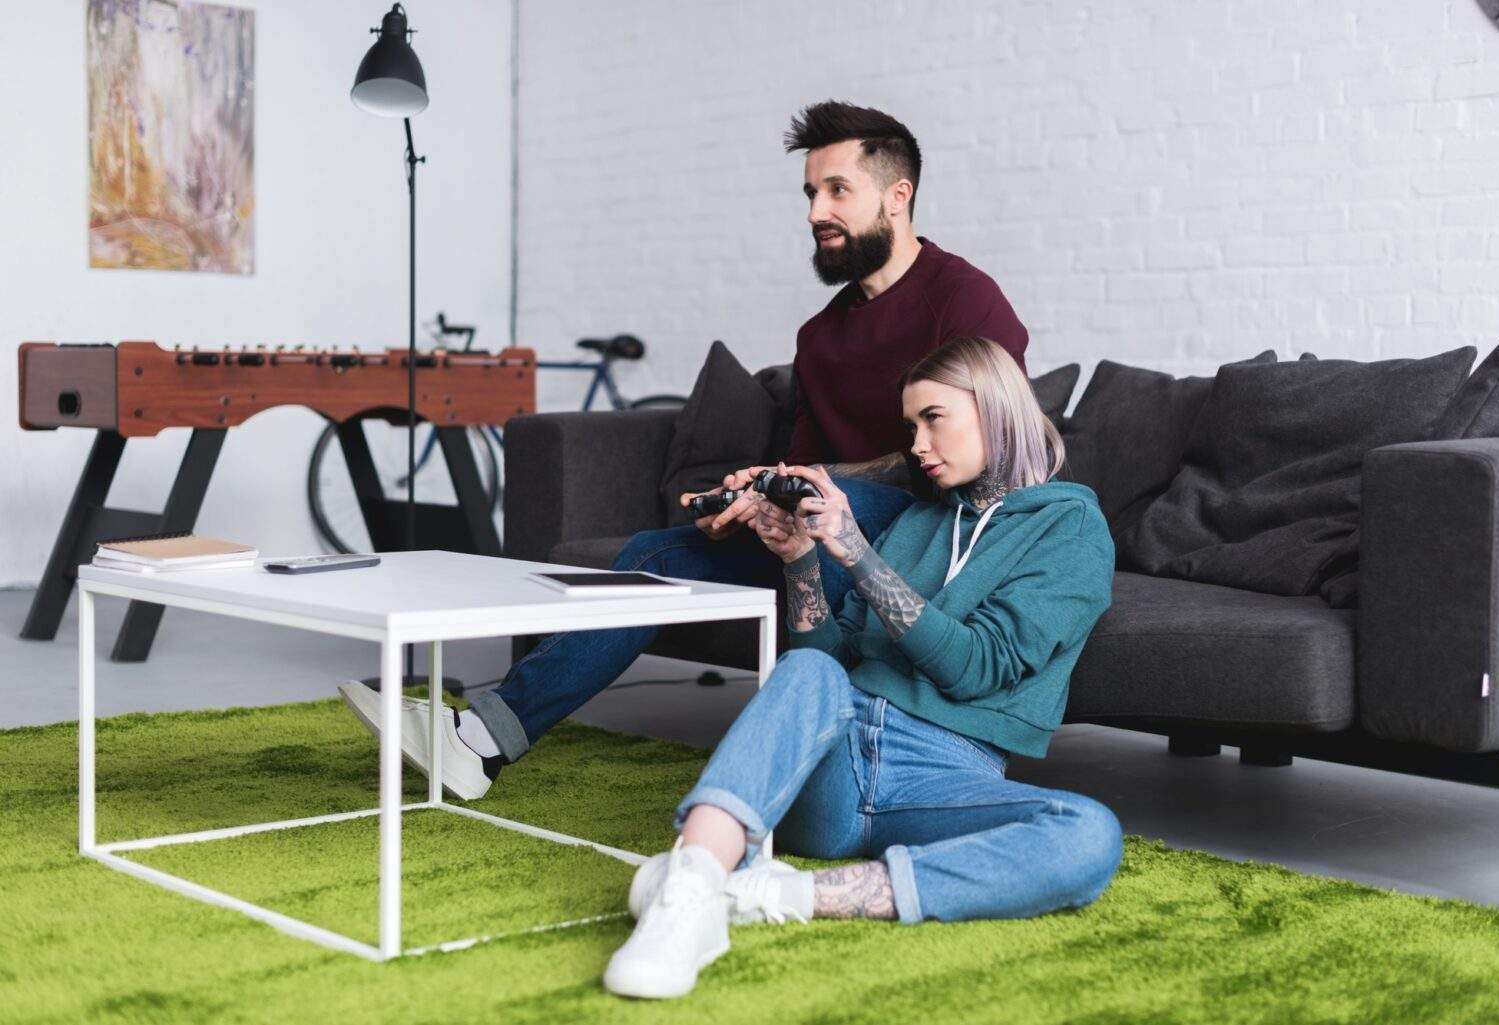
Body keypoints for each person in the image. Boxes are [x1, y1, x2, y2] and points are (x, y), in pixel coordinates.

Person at [338, 100, 1032, 800]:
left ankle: (477, 738)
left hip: (928, 539)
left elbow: (997, 445)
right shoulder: (821, 337)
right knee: (655, 555)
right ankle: (481, 741)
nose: (815, 210)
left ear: (897, 195)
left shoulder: (964, 302)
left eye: (837, 190)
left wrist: (811, 483)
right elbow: (805, 469)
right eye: (810, 192)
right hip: (823, 543)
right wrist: (758, 497)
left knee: (834, 501)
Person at [602, 337, 1121, 1000]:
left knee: (1089, 834)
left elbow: (978, 668)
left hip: (942, 779)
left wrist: (857, 554)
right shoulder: (918, 522)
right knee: (813, 672)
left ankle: (768, 894)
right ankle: (691, 882)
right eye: (911, 426)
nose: (918, 443)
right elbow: (825, 659)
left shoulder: (1072, 526)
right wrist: (799, 559)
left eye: (935, 417)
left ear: (996, 408)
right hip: (832, 776)